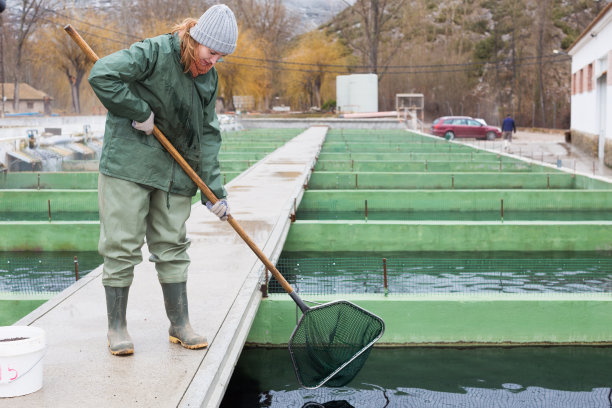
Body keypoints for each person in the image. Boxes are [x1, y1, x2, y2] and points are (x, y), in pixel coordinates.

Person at [88, 4, 238, 356]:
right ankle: (117, 327)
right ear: (195, 38)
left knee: (172, 243)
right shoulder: (153, 52)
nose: (213, 60)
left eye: (221, 56)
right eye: (211, 52)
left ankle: (179, 323)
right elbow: (102, 74)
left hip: (175, 170)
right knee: (122, 245)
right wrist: (138, 111)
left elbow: (208, 132)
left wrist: (213, 190)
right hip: (130, 163)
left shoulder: (208, 77)